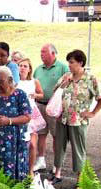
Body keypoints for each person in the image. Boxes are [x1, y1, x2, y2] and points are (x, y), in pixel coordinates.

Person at [51, 50, 101, 185]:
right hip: (62, 119)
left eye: (72, 62)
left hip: (78, 121)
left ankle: (80, 180)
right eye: (68, 62)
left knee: (78, 150)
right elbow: (55, 92)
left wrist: (93, 113)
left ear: (80, 63)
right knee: (59, 147)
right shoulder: (66, 76)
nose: (69, 65)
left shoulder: (90, 79)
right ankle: (57, 174)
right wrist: (64, 82)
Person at [0, 66, 31, 180]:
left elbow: (27, 117)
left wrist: (9, 121)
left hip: (13, 142)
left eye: (0, 81)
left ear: (9, 80)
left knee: (11, 172)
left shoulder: (20, 95)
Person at [33, 43, 69, 172]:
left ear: (53, 53)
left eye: (44, 52)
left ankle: (56, 164)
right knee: (40, 135)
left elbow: (68, 83)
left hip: (54, 109)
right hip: (40, 106)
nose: (41, 54)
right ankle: (41, 160)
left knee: (56, 136)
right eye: (41, 52)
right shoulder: (38, 69)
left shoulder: (63, 68)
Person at [17, 58, 44, 177]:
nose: (22, 68)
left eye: (25, 66)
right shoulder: (14, 81)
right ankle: (19, 168)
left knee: (32, 144)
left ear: (29, 69)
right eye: (20, 65)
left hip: (31, 114)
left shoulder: (34, 81)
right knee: (21, 143)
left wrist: (35, 95)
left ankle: (30, 170)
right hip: (18, 114)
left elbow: (41, 94)